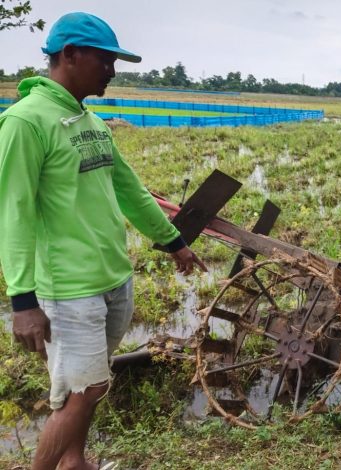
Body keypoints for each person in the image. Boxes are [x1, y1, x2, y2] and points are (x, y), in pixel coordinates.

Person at [0, 12, 207, 470]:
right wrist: (22, 300)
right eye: (105, 60)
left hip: (112, 278)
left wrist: (173, 241)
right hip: (69, 289)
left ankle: (74, 462)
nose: (112, 71)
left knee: (92, 382)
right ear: (70, 55)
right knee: (83, 388)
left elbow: (130, 189)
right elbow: (12, 212)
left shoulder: (89, 121)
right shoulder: (25, 123)